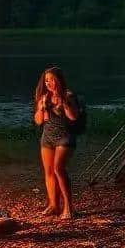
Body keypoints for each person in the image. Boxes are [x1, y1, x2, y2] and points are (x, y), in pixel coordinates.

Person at [33, 66, 79, 219]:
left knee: (59, 169)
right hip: (47, 138)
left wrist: (63, 102)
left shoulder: (68, 95)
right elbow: (39, 122)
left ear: (59, 80)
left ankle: (69, 207)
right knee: (49, 172)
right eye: (46, 80)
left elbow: (73, 117)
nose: (49, 83)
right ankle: (54, 205)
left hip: (64, 138)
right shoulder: (44, 97)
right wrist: (41, 108)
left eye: (52, 80)